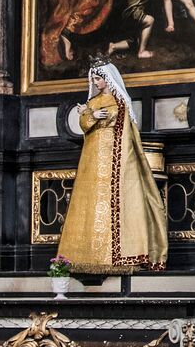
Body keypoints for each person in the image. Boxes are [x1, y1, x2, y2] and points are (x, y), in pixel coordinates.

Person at [55, 61, 167, 273]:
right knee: (91, 200)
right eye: (94, 79)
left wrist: (92, 114)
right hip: (94, 156)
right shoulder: (94, 101)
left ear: (108, 78)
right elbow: (85, 124)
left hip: (117, 155)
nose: (96, 83)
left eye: (98, 78)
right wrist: (89, 115)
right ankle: (87, 255)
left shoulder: (120, 100)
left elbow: (123, 127)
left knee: (117, 201)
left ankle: (120, 255)